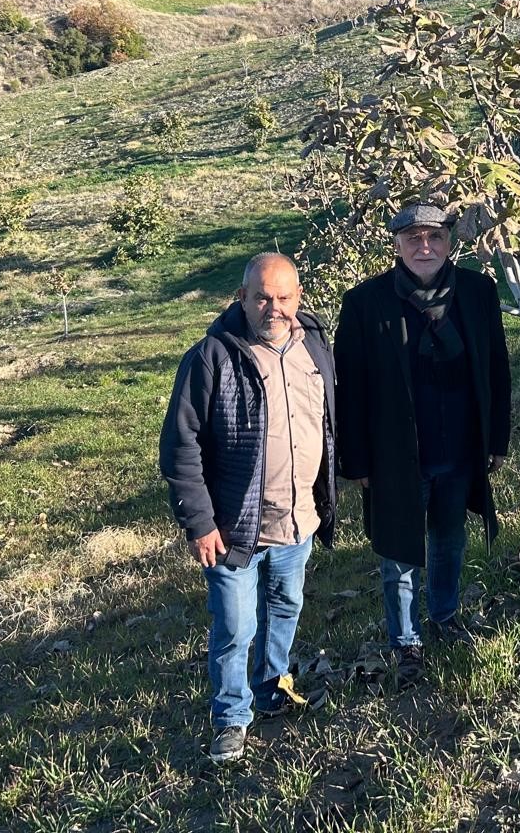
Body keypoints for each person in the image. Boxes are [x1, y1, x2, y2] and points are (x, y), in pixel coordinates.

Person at [159, 252, 338, 765]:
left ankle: (271, 687)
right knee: (235, 627)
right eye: (261, 297)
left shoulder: (315, 347)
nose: (273, 307)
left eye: (283, 297)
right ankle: (231, 718)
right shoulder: (211, 356)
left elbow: (327, 422)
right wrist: (199, 522)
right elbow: (180, 446)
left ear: (298, 297)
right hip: (234, 527)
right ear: (242, 297)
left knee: (285, 608)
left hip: (298, 517)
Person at [334, 202, 511, 688]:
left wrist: (496, 438)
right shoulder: (365, 303)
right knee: (400, 551)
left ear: (451, 241)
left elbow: (497, 369)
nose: (424, 246)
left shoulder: (477, 293)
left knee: (450, 539)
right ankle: (406, 640)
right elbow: (349, 389)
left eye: (434, 237)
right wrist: (357, 460)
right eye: (413, 238)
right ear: (396, 245)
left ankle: (445, 615)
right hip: (395, 454)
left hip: (459, 449)